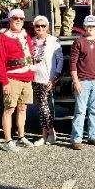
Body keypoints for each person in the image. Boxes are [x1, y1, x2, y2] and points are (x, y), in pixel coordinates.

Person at [0, 8, 36, 150]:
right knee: (9, 109)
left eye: (21, 19)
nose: (18, 21)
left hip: (26, 78)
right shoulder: (3, 39)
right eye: (15, 18)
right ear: (10, 20)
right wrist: (4, 82)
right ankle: (7, 141)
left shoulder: (26, 36)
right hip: (12, 78)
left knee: (23, 108)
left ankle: (21, 137)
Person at [70, 14, 95, 149]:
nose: (90, 28)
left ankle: (93, 136)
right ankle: (76, 139)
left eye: (93, 26)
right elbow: (73, 63)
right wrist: (76, 81)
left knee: (94, 110)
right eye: (88, 26)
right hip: (82, 81)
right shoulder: (79, 42)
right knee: (80, 111)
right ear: (84, 27)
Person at [30, 15, 64, 146]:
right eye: (37, 26)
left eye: (43, 26)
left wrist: (55, 77)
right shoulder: (31, 41)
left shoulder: (53, 41)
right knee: (41, 107)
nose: (40, 28)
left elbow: (60, 60)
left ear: (47, 27)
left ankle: (50, 132)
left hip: (48, 78)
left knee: (44, 106)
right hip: (35, 77)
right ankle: (45, 134)